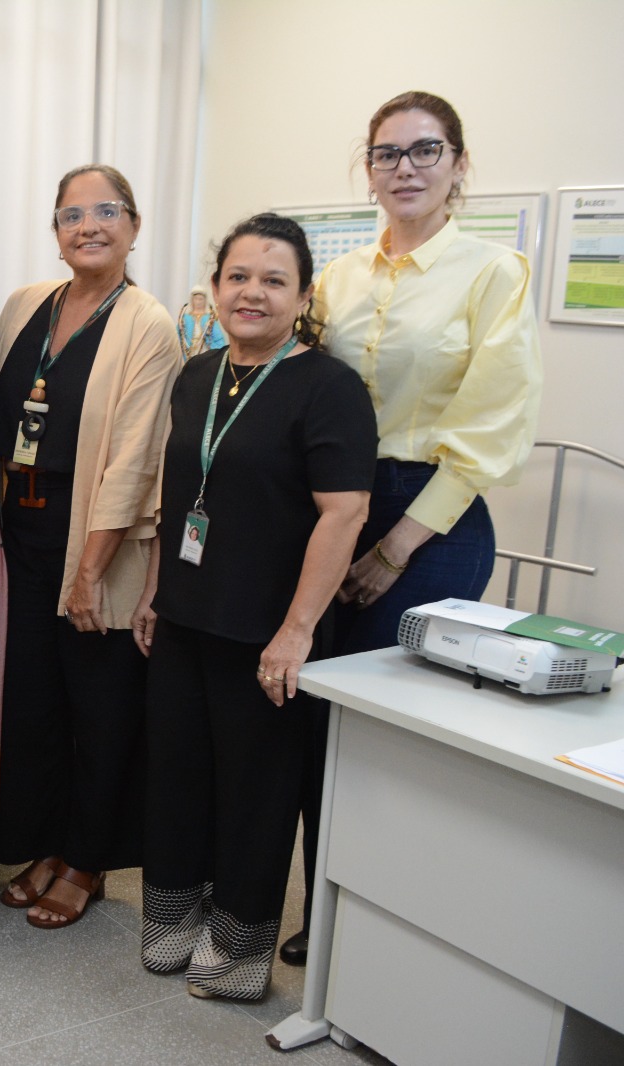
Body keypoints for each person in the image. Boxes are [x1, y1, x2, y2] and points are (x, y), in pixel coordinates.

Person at [279, 90, 542, 966]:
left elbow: (493, 425)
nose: (405, 169)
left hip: (434, 520)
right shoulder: (340, 278)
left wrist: (397, 545)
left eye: (425, 152)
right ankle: (327, 912)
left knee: (391, 735)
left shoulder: (491, 272)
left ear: (459, 165)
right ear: (369, 169)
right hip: (335, 508)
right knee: (319, 724)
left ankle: (393, 930)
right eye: (387, 154)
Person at [133, 213, 375, 1001]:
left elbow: (343, 515)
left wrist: (297, 631)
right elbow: (178, 498)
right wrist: (152, 593)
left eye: (274, 280)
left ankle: (240, 949)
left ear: (302, 296)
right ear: (215, 286)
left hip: (269, 628)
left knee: (255, 790)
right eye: (239, 276)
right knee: (177, 773)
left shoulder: (329, 387)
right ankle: (175, 914)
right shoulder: (199, 373)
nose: (253, 293)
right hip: (187, 613)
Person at [0, 164, 180, 930]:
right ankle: (44, 844)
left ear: (133, 225)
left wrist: (90, 573)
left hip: (93, 543)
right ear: (56, 230)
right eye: (71, 214)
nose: (88, 226)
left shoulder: (149, 325)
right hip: (19, 535)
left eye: (106, 211)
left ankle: (88, 861)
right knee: (33, 705)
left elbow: (133, 460)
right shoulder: (25, 305)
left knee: (99, 712)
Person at [176, 286, 226, 360]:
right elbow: (178, 337)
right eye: (196, 299)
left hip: (204, 352)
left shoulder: (210, 319)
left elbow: (219, 339)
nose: (198, 302)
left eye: (201, 299)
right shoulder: (185, 319)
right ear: (192, 300)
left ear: (204, 301)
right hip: (188, 352)